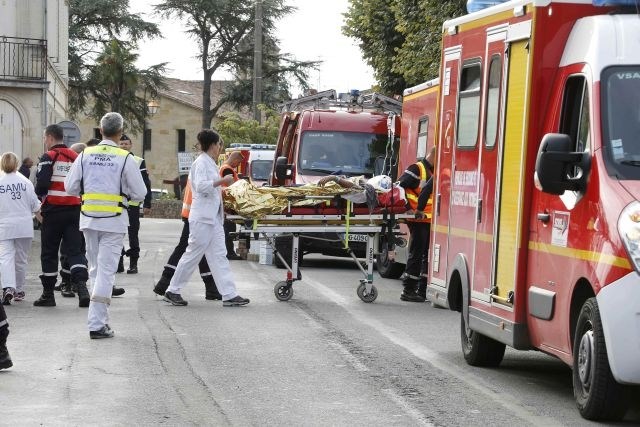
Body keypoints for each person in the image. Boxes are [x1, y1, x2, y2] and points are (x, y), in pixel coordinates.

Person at [64, 112, 147, 339]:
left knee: (95, 270)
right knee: (106, 273)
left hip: (89, 219)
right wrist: (125, 193)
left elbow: (70, 187)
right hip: (114, 220)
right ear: (120, 133)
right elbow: (140, 192)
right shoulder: (125, 157)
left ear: (100, 131)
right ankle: (96, 324)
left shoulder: (84, 155)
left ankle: (100, 321)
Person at [163, 130, 249, 307]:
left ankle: (229, 294)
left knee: (219, 255)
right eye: (219, 144)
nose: (220, 148)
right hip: (202, 217)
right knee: (193, 253)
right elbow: (201, 187)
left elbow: (212, 190)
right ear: (212, 145)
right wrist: (221, 181)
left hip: (212, 218)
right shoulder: (201, 163)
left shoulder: (209, 162)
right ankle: (173, 290)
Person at [34, 124, 89, 308]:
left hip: (53, 211)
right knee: (75, 251)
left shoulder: (49, 156)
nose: (44, 142)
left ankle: (48, 295)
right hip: (74, 211)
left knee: (49, 252)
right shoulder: (77, 157)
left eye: (44, 138)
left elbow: (41, 185)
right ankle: (81, 287)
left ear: (49, 138)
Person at [153, 177, 222, 301]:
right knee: (188, 249)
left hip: (192, 213)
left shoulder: (198, 169)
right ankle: (165, 284)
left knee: (198, 249)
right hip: (196, 215)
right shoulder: (203, 168)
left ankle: (211, 288)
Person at [0, 152, 41, 305]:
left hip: (4, 226)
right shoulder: (25, 182)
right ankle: (19, 289)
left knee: (5, 258)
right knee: (21, 259)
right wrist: (45, 223)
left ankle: (8, 287)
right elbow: (36, 206)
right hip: (24, 226)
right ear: (17, 163)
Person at [397, 147, 435, 302]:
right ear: (434, 155)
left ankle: (422, 290)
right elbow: (398, 186)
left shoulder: (432, 171)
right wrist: (408, 209)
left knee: (426, 255)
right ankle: (408, 289)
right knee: (417, 253)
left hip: (429, 219)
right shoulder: (417, 168)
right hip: (418, 219)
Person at [116, 134, 152, 275]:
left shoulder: (138, 161)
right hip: (118, 204)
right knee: (117, 234)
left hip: (133, 205)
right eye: (121, 144)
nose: (124, 146)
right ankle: (118, 263)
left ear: (131, 145)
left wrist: (147, 203)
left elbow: (146, 184)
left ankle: (133, 264)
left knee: (132, 235)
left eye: (126, 144)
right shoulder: (115, 159)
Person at [221, 151, 244, 260]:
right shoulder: (227, 169)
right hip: (227, 203)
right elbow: (232, 186)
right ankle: (229, 252)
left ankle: (229, 252)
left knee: (228, 228)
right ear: (234, 159)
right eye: (238, 162)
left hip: (226, 202)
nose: (238, 165)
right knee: (229, 229)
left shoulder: (226, 168)